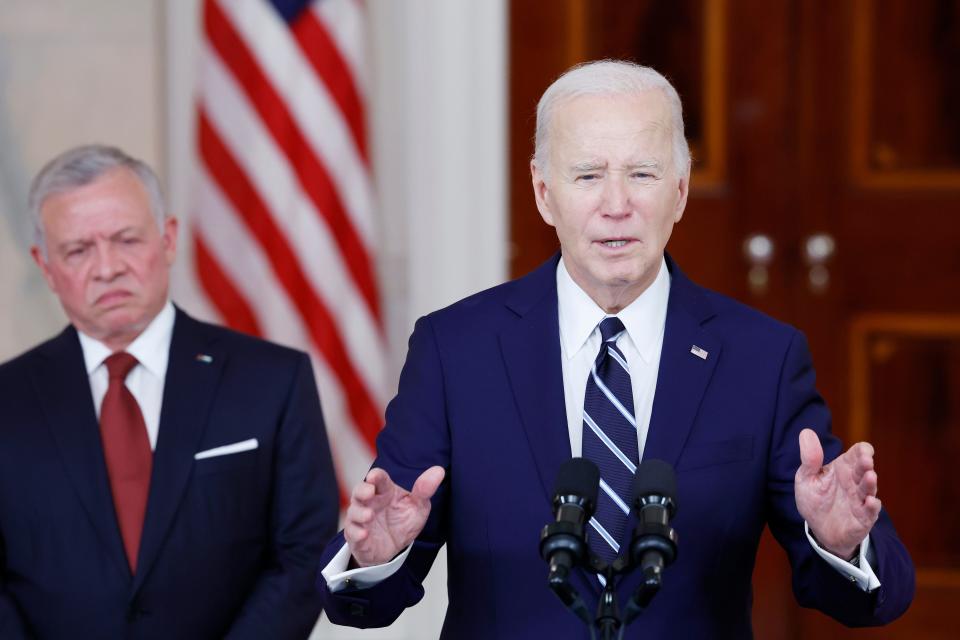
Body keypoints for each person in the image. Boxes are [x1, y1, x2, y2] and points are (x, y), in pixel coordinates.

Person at [317, 61, 914, 637]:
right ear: (544, 193)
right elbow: (365, 604)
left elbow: (873, 600)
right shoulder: (456, 350)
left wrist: (840, 543)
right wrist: (377, 555)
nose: (616, 203)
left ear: (679, 192)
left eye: (643, 173)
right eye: (587, 174)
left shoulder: (762, 357)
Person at [0, 145, 339, 638]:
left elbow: (303, 551)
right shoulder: (7, 400)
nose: (108, 267)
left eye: (126, 239)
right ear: (46, 266)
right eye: (78, 250)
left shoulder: (273, 381)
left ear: (168, 239)